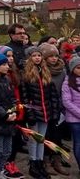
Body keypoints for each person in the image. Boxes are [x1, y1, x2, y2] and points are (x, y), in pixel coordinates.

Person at [21, 46, 60, 178]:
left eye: (39, 55)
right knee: (34, 139)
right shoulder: (26, 75)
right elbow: (25, 96)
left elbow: (52, 94)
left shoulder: (45, 72)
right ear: (30, 58)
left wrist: (54, 112)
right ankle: (33, 163)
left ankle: (40, 162)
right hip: (34, 111)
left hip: (45, 111)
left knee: (42, 139)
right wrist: (29, 113)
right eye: (34, 56)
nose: (37, 58)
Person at [0, 45, 25, 179]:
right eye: (7, 56)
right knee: (1, 145)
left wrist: (18, 108)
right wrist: (6, 112)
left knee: (15, 140)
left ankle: (11, 162)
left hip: (16, 109)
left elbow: (18, 91)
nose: (11, 59)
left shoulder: (14, 72)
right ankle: (0, 168)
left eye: (12, 56)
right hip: (3, 113)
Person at [39, 43, 69, 175]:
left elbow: (65, 89)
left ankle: (56, 160)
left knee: (57, 136)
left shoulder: (62, 70)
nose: (54, 59)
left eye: (56, 56)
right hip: (45, 107)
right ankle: (45, 161)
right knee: (46, 136)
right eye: (50, 56)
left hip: (59, 107)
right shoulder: (41, 70)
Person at [62, 56, 80, 171]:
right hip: (74, 120)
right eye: (78, 67)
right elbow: (66, 102)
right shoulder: (67, 82)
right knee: (78, 144)